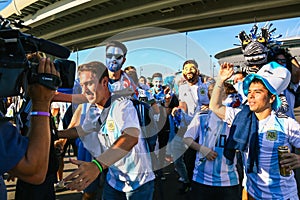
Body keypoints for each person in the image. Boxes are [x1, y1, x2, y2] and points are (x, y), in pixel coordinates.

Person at [59, 61, 155, 200]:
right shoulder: (94, 109)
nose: (84, 90)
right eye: (82, 85)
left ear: (104, 82)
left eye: (89, 84)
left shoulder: (122, 105)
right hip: (114, 180)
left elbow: (130, 137)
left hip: (138, 183)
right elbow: (82, 130)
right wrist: (56, 134)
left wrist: (97, 165)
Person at [210, 61, 300, 199]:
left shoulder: (286, 124)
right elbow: (215, 107)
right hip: (251, 193)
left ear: (271, 98)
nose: (250, 96)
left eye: (257, 92)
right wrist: (220, 80)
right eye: (249, 91)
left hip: (282, 196)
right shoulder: (241, 117)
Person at [0, 57, 59, 199]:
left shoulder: (29, 97)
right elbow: (33, 171)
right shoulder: (26, 99)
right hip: (31, 158)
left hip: (41, 162)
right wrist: (41, 102)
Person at [171, 59, 211, 188]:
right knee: (181, 157)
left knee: (197, 158)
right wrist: (177, 110)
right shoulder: (182, 87)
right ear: (183, 72)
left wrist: (209, 106)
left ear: (198, 71)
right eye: (186, 68)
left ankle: (196, 184)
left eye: (192, 68)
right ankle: (187, 181)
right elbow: (183, 104)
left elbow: (215, 102)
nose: (189, 71)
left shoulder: (207, 86)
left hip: (203, 128)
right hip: (186, 127)